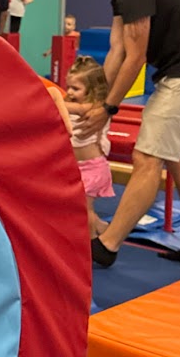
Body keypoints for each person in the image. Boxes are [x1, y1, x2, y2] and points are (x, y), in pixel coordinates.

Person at [61, 0, 180, 267]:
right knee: (179, 156)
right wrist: (97, 99)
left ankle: (106, 245)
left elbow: (136, 56)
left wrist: (108, 107)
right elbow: (117, 49)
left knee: (146, 157)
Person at [64, 56, 115, 238]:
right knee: (80, 208)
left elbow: (77, 110)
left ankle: (92, 243)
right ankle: (102, 228)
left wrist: (51, 98)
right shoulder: (73, 104)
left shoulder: (94, 107)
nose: (69, 92)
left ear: (92, 90)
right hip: (75, 168)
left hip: (93, 168)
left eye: (76, 88)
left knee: (84, 209)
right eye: (68, 86)